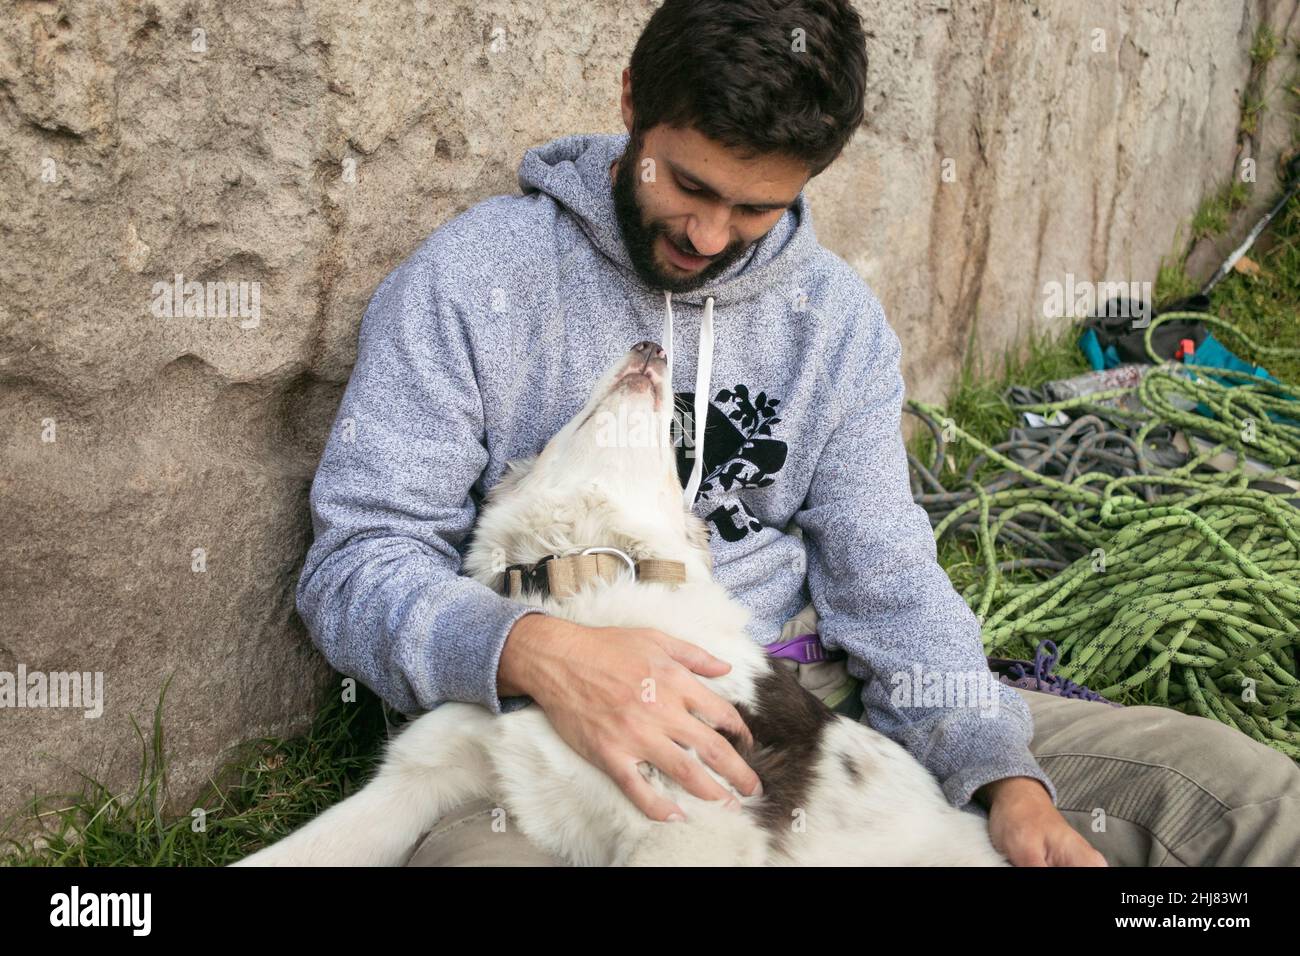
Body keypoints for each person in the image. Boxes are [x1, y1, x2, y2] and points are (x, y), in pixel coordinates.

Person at [297, 0, 1300, 866]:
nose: (706, 236)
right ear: (629, 102)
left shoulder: (837, 322)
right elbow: (355, 563)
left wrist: (1000, 773)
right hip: (549, 728)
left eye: (755, 208)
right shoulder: (478, 279)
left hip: (815, 714)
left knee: (1253, 804)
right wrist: (539, 651)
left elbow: (890, 580)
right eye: (686, 185)